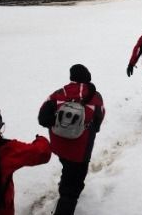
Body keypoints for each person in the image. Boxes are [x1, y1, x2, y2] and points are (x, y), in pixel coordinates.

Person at [38, 64, 105, 215]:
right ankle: (65, 202)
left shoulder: (58, 93)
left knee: (67, 167)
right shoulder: (96, 97)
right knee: (73, 186)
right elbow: (99, 117)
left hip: (59, 145)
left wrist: (61, 125)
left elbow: (42, 118)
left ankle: (65, 186)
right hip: (81, 149)